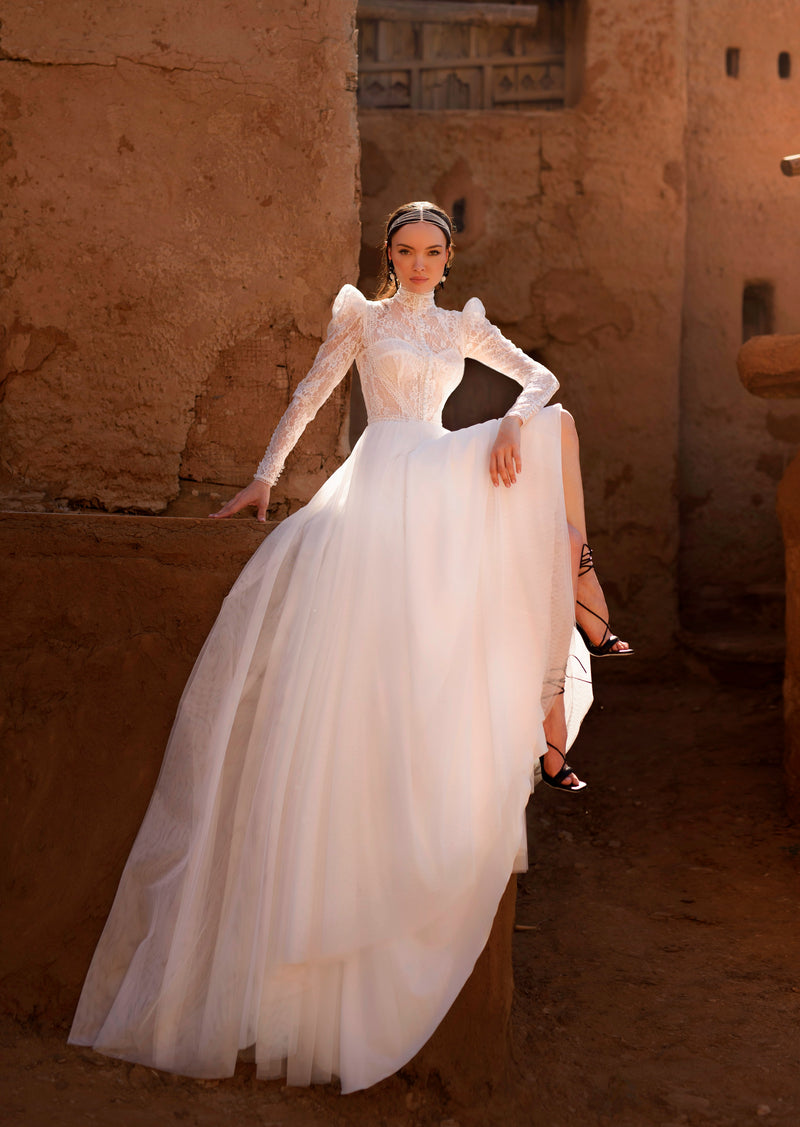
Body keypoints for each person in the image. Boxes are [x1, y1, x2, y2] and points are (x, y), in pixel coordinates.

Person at [68, 201, 631, 1093]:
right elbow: (313, 394)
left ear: (450, 260)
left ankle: (580, 602)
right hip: (380, 479)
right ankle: (575, 615)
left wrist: (516, 422)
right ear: (389, 257)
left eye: (431, 252)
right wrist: (262, 477)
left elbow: (541, 379)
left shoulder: (460, 325)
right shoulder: (362, 321)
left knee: (554, 431)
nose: (417, 263)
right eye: (403, 251)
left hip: (439, 469)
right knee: (361, 658)